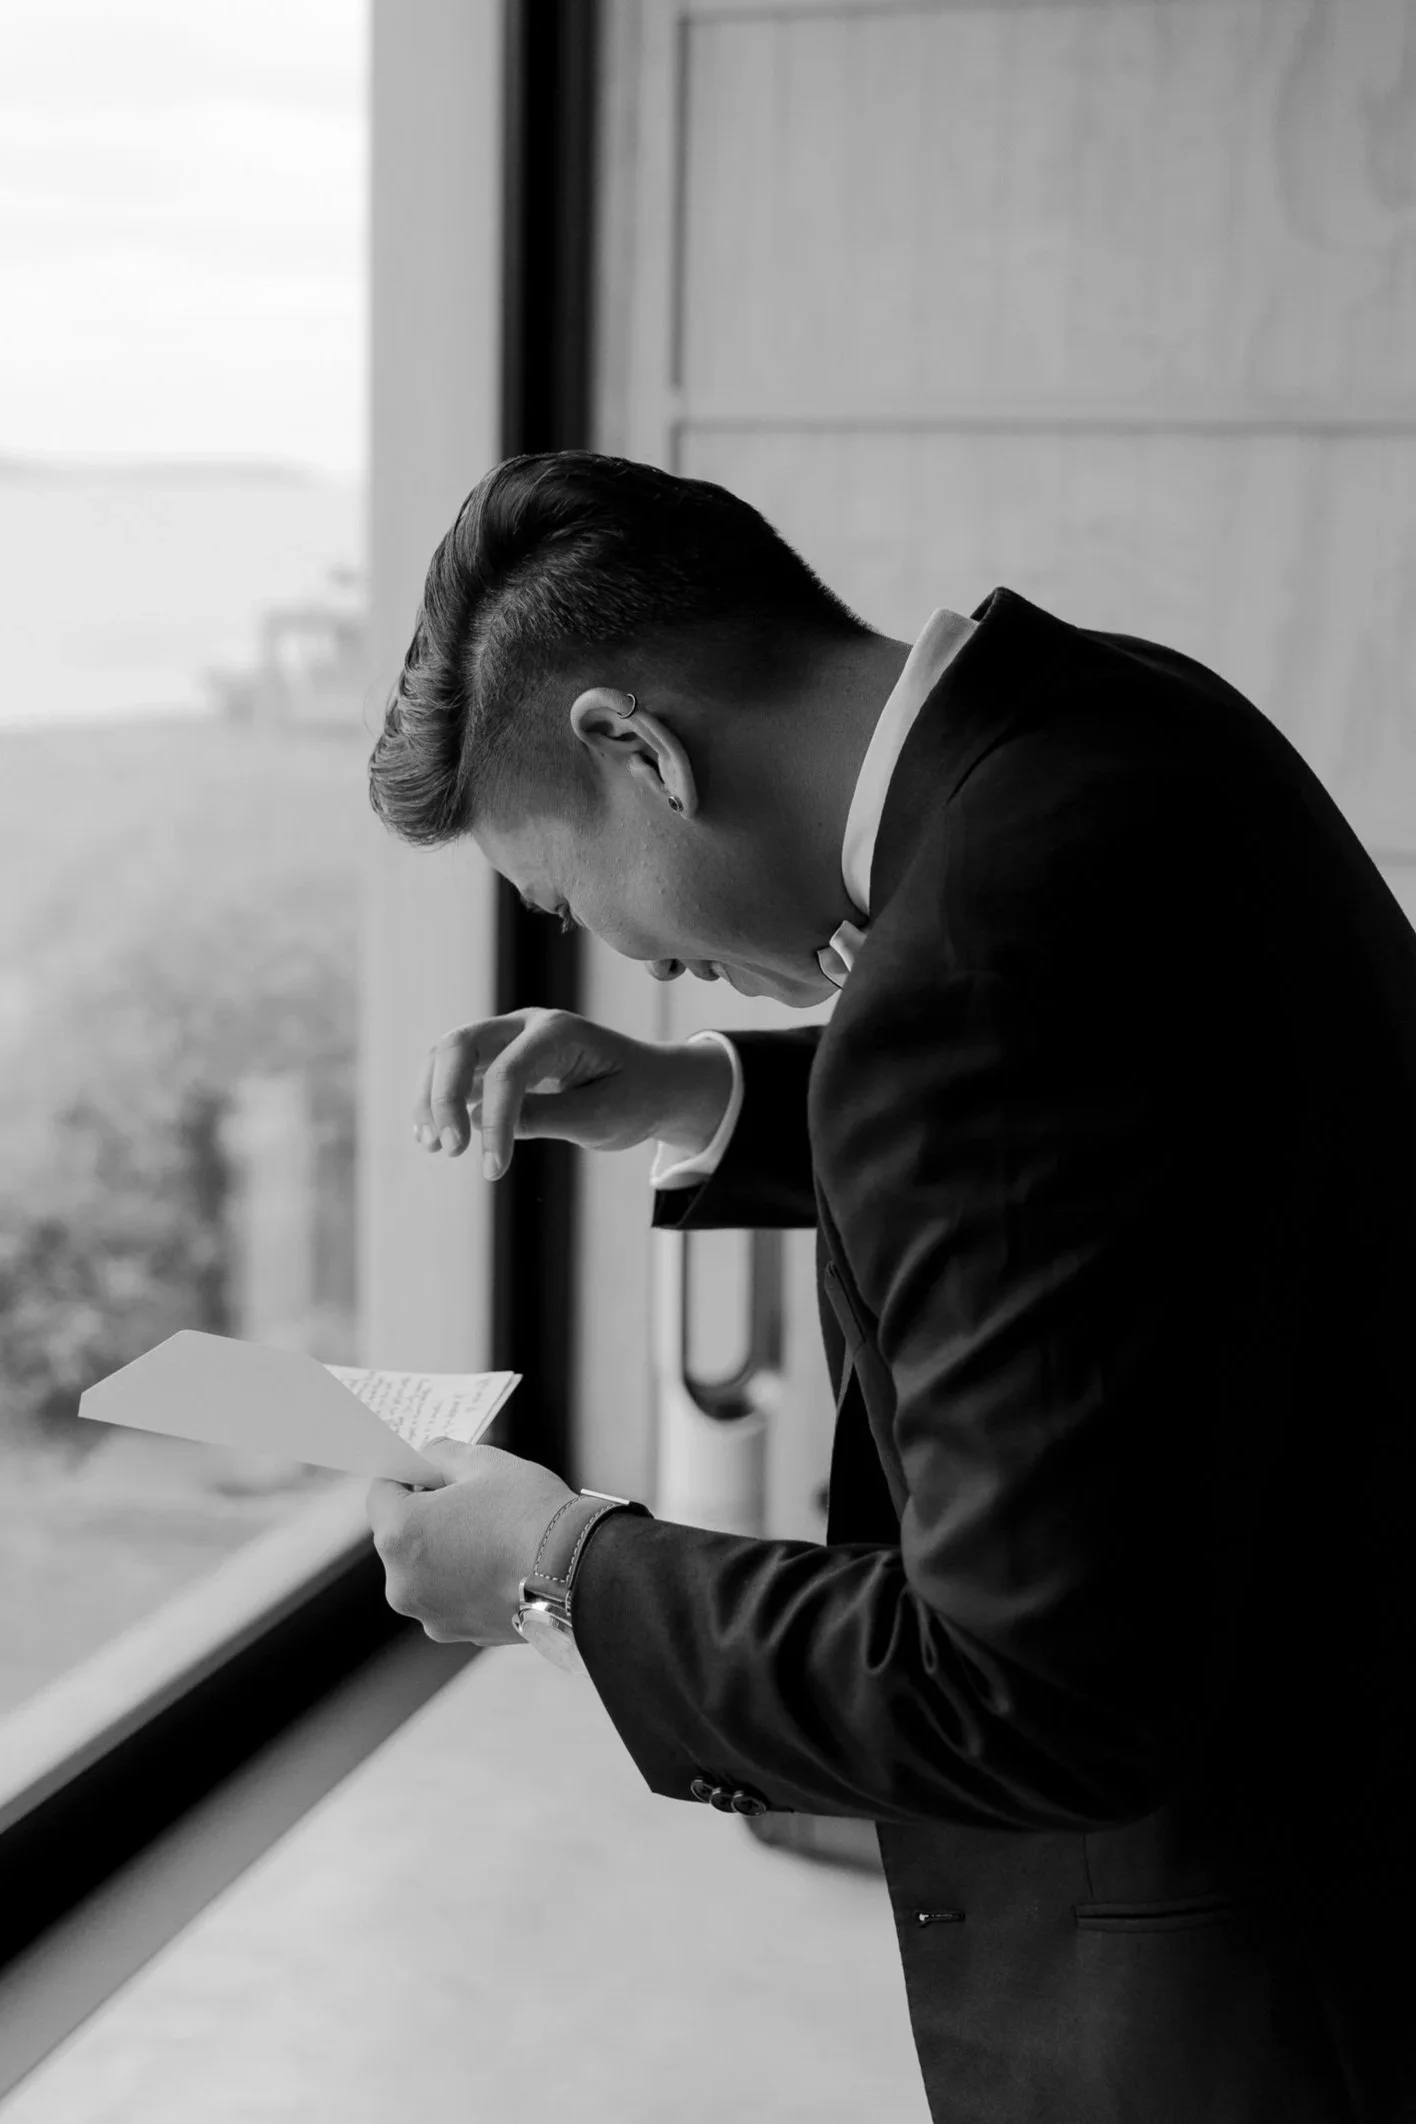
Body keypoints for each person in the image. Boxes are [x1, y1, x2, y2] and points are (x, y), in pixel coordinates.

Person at [363, 450, 1416, 2124]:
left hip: (1260, 1978)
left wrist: (561, 1572)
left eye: (565, 895)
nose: (626, 960)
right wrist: (701, 1094)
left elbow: (1020, 1692)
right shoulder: (1117, 722)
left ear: (636, 747)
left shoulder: (977, 971)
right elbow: (1142, 1126)